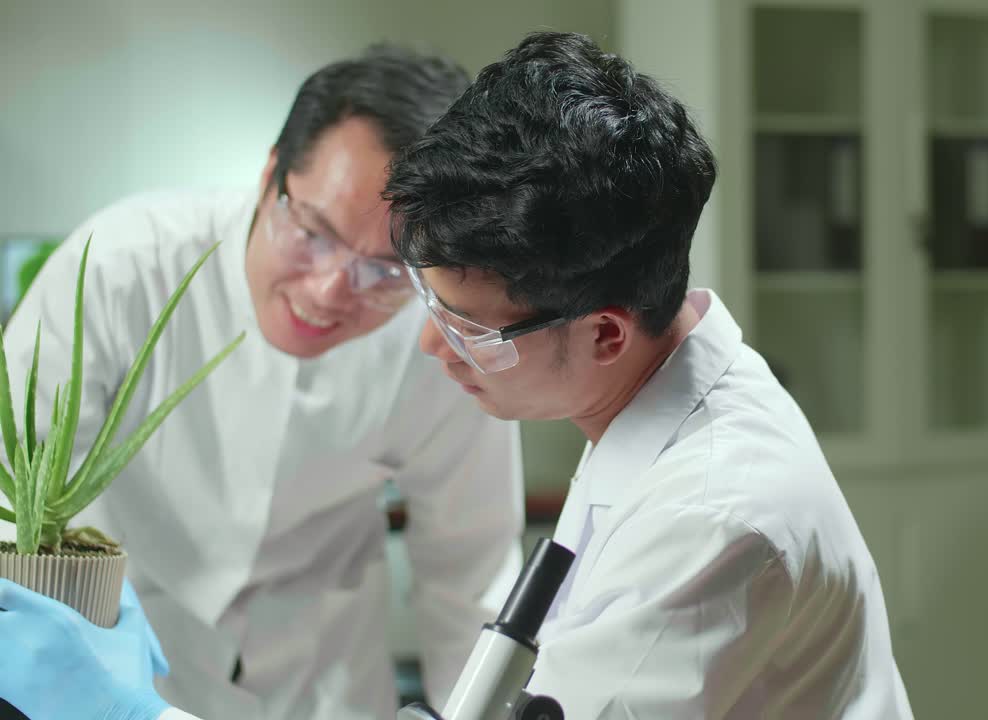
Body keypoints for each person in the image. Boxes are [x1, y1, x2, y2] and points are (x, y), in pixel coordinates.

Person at [0, 31, 912, 719]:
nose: (434, 352)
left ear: (601, 334)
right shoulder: (658, 417)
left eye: (466, 329)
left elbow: (470, 582)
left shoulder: (710, 520)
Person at [0, 45, 524, 720]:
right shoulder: (118, 267)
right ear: (272, 172)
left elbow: (468, 574)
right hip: (122, 672)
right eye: (313, 232)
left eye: (388, 270)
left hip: (321, 687)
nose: (331, 289)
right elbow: (9, 491)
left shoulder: (438, 335)